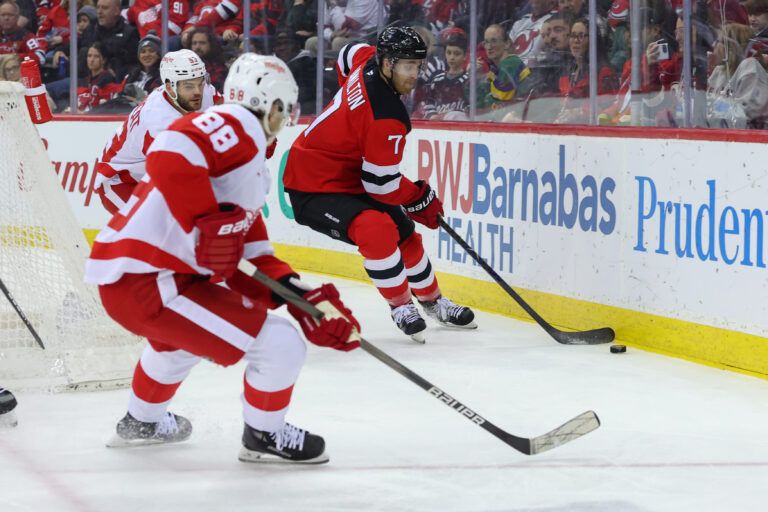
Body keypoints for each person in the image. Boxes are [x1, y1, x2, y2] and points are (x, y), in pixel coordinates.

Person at [85, 53, 359, 464]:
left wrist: (305, 301)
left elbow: (255, 257)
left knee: (177, 347)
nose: (286, 121)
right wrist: (207, 219)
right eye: (285, 110)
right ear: (272, 104)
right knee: (280, 344)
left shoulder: (246, 162)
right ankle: (263, 434)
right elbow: (169, 152)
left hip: (141, 280)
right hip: (147, 281)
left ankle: (141, 422)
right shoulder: (236, 124)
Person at [283, 25, 477, 343]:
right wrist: (420, 197)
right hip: (312, 183)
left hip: (351, 176)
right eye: (406, 66)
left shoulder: (366, 59)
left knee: (405, 235)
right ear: (387, 63)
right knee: (376, 228)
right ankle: (401, 306)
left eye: (417, 65)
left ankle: (433, 301)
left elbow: (347, 54)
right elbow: (382, 186)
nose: (414, 74)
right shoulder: (386, 115)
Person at [94, 49, 222, 214]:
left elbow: (230, 116)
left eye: (200, 83)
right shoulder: (158, 123)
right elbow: (178, 177)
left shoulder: (201, 91)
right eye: (189, 86)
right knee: (160, 227)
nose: (197, 92)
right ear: (169, 87)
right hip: (120, 182)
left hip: (151, 176)